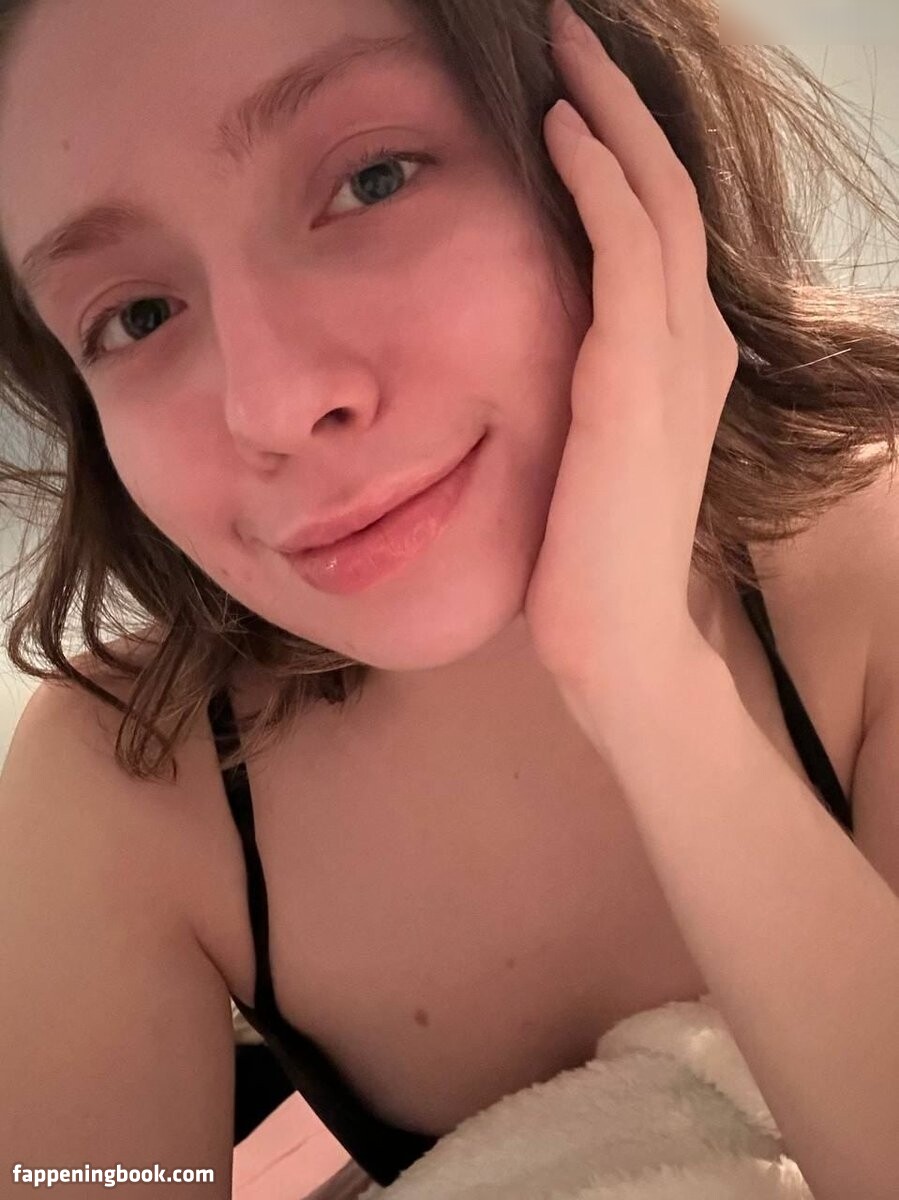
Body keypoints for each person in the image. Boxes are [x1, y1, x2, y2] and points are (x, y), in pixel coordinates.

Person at [0, 0, 897, 1197]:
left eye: (371, 179)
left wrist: (644, 683)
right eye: (136, 316)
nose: (272, 406)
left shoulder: (868, 565)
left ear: (611, 140)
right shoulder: (126, 781)